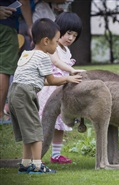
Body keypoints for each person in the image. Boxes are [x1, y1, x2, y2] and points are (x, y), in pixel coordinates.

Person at [8, 18, 82, 174]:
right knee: (36, 131)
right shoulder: (43, 57)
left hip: (15, 93)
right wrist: (68, 78)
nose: (57, 46)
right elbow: (52, 80)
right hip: (25, 94)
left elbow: (39, 80)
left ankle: (25, 163)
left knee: (28, 131)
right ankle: (37, 165)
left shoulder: (26, 54)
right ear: (46, 41)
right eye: (56, 41)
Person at [37, 12, 85, 164]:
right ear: (59, 30)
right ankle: (35, 155)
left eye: (75, 35)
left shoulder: (66, 49)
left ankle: (56, 155)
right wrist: (72, 71)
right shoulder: (53, 46)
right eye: (68, 33)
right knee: (45, 123)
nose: (71, 38)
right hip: (50, 89)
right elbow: (57, 63)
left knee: (59, 125)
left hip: (62, 90)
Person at [0, 0, 33, 125]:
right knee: (4, 69)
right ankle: (0, 114)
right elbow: (23, 1)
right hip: (6, 24)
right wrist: (30, 26)